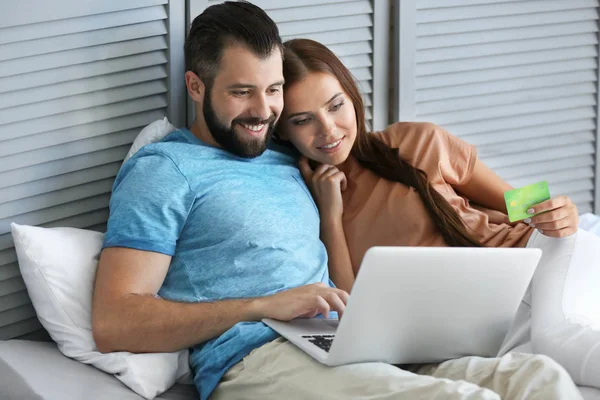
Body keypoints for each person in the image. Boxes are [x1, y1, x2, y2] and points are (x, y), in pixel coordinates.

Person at [91, 2, 582, 399]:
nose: (263, 111)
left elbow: (511, 197)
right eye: (242, 92)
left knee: (541, 379)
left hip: (355, 338)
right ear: (195, 87)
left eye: (274, 90)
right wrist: (264, 305)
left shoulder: (293, 160)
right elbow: (115, 323)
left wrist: (548, 207)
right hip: (258, 355)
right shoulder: (166, 169)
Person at [275, 37, 600, 391]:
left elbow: (516, 203)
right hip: (486, 322)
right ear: (282, 130)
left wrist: (558, 209)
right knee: (551, 377)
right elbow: (355, 312)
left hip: (539, 259)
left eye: (335, 105)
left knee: (556, 339)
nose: (328, 129)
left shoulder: (417, 142)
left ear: (352, 97)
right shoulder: (303, 203)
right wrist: (331, 216)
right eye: (303, 120)